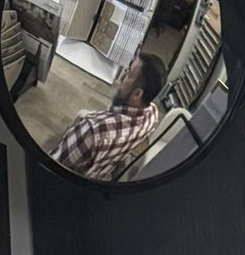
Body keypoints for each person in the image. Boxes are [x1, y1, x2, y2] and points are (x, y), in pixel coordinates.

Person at [50, 50, 166, 181]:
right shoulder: (152, 114)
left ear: (137, 94)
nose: (123, 75)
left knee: (81, 117)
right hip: (102, 170)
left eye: (130, 74)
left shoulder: (92, 129)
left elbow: (51, 169)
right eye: (128, 68)